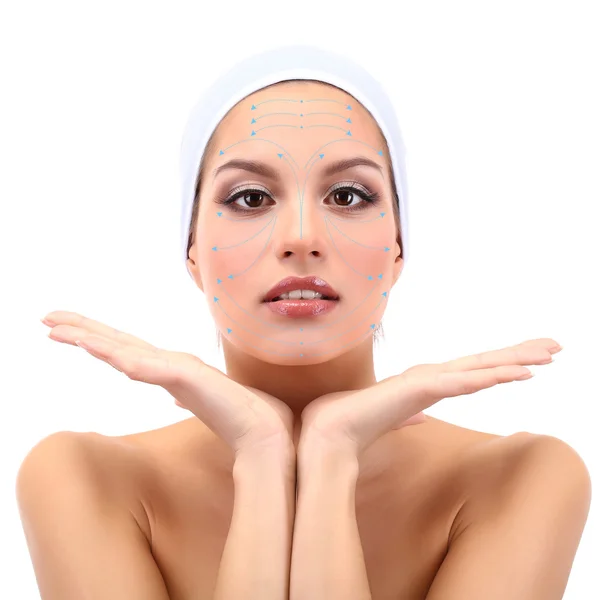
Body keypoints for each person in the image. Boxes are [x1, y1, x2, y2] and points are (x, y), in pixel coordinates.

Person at [18, 46, 590, 600]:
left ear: (398, 246)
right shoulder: (84, 479)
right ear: (191, 248)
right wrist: (260, 452)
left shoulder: (521, 479)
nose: (299, 238)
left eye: (347, 194)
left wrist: (333, 450)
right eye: (248, 198)